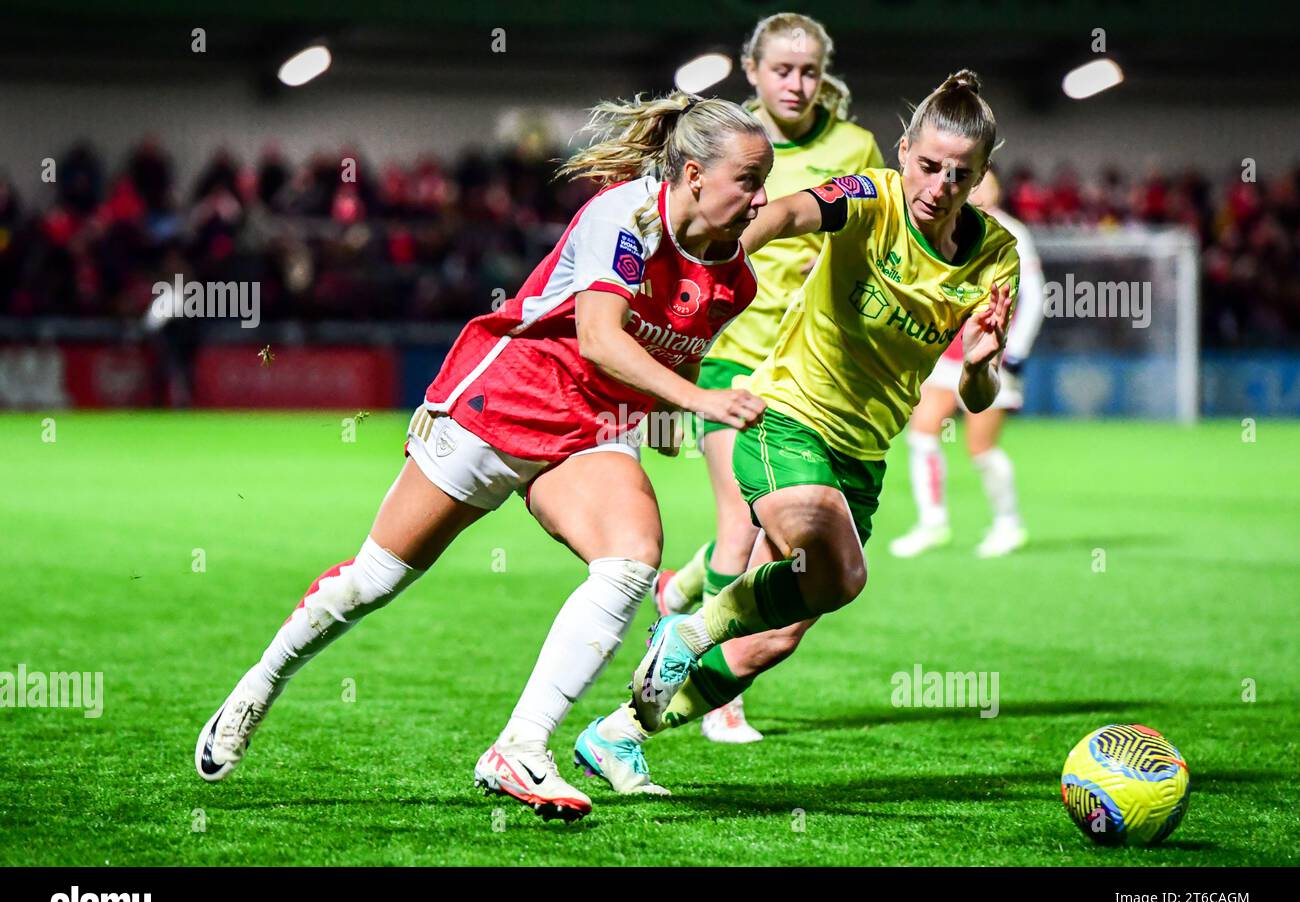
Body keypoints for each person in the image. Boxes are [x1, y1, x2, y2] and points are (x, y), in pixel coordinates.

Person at [193, 91, 771, 821]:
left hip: (587, 430)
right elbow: (600, 337)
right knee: (373, 581)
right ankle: (257, 686)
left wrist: (665, 416)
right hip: (502, 401)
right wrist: (697, 403)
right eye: (747, 180)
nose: (760, 199)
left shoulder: (735, 278)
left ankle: (521, 747)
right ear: (692, 175)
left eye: (764, 181)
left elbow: (671, 356)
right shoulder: (624, 218)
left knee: (630, 560)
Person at [574, 70, 1020, 793]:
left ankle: (619, 733)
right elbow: (781, 216)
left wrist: (980, 361)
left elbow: (977, 396)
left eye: (960, 174)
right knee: (815, 526)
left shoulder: (995, 255)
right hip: (784, 415)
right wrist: (707, 252)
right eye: (929, 165)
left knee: (784, 628)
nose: (940, 184)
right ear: (903, 153)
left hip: (863, 456)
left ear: (979, 175)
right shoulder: (869, 197)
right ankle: (687, 627)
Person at [654, 12, 885, 745]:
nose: (797, 82)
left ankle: (683, 587)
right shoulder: (727, 142)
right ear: (751, 71)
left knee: (768, 531)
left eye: (810, 70)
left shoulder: (855, 147)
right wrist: (669, 374)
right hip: (731, 352)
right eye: (782, 69)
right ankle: (718, 692)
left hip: (810, 373)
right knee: (741, 523)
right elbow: (681, 257)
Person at [888, 170, 1045, 558]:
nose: (977, 190)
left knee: (980, 447)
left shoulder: (1011, 233)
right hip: (947, 355)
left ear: (998, 188)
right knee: (923, 432)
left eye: (984, 181)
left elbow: (1036, 296)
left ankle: (1009, 524)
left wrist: (1016, 351)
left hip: (991, 355)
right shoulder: (945, 226)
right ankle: (932, 522)